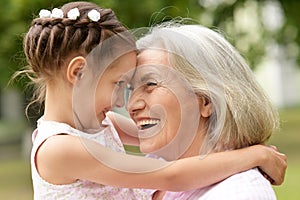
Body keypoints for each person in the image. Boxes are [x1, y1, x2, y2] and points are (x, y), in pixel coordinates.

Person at [19, 1, 286, 199]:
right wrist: (255, 155)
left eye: (148, 84)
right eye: (119, 84)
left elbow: (174, 131)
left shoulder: (101, 125)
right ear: (79, 73)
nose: (122, 102)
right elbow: (171, 176)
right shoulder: (60, 150)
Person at [126, 23, 285, 199]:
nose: (131, 105)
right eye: (131, 88)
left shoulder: (239, 192)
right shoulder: (155, 168)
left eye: (150, 84)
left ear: (206, 102)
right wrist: (257, 155)